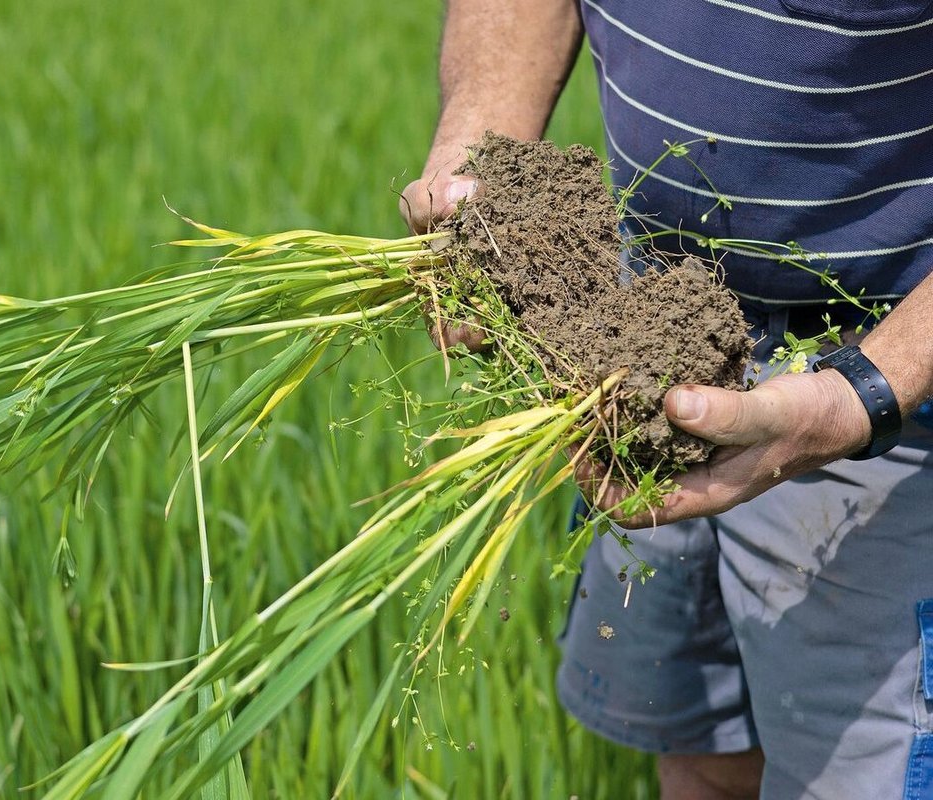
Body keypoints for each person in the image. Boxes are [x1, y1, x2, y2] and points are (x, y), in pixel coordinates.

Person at [399, 2, 933, 798]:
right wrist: (477, 170)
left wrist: (866, 390)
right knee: (703, 760)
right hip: (641, 336)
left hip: (892, 392)